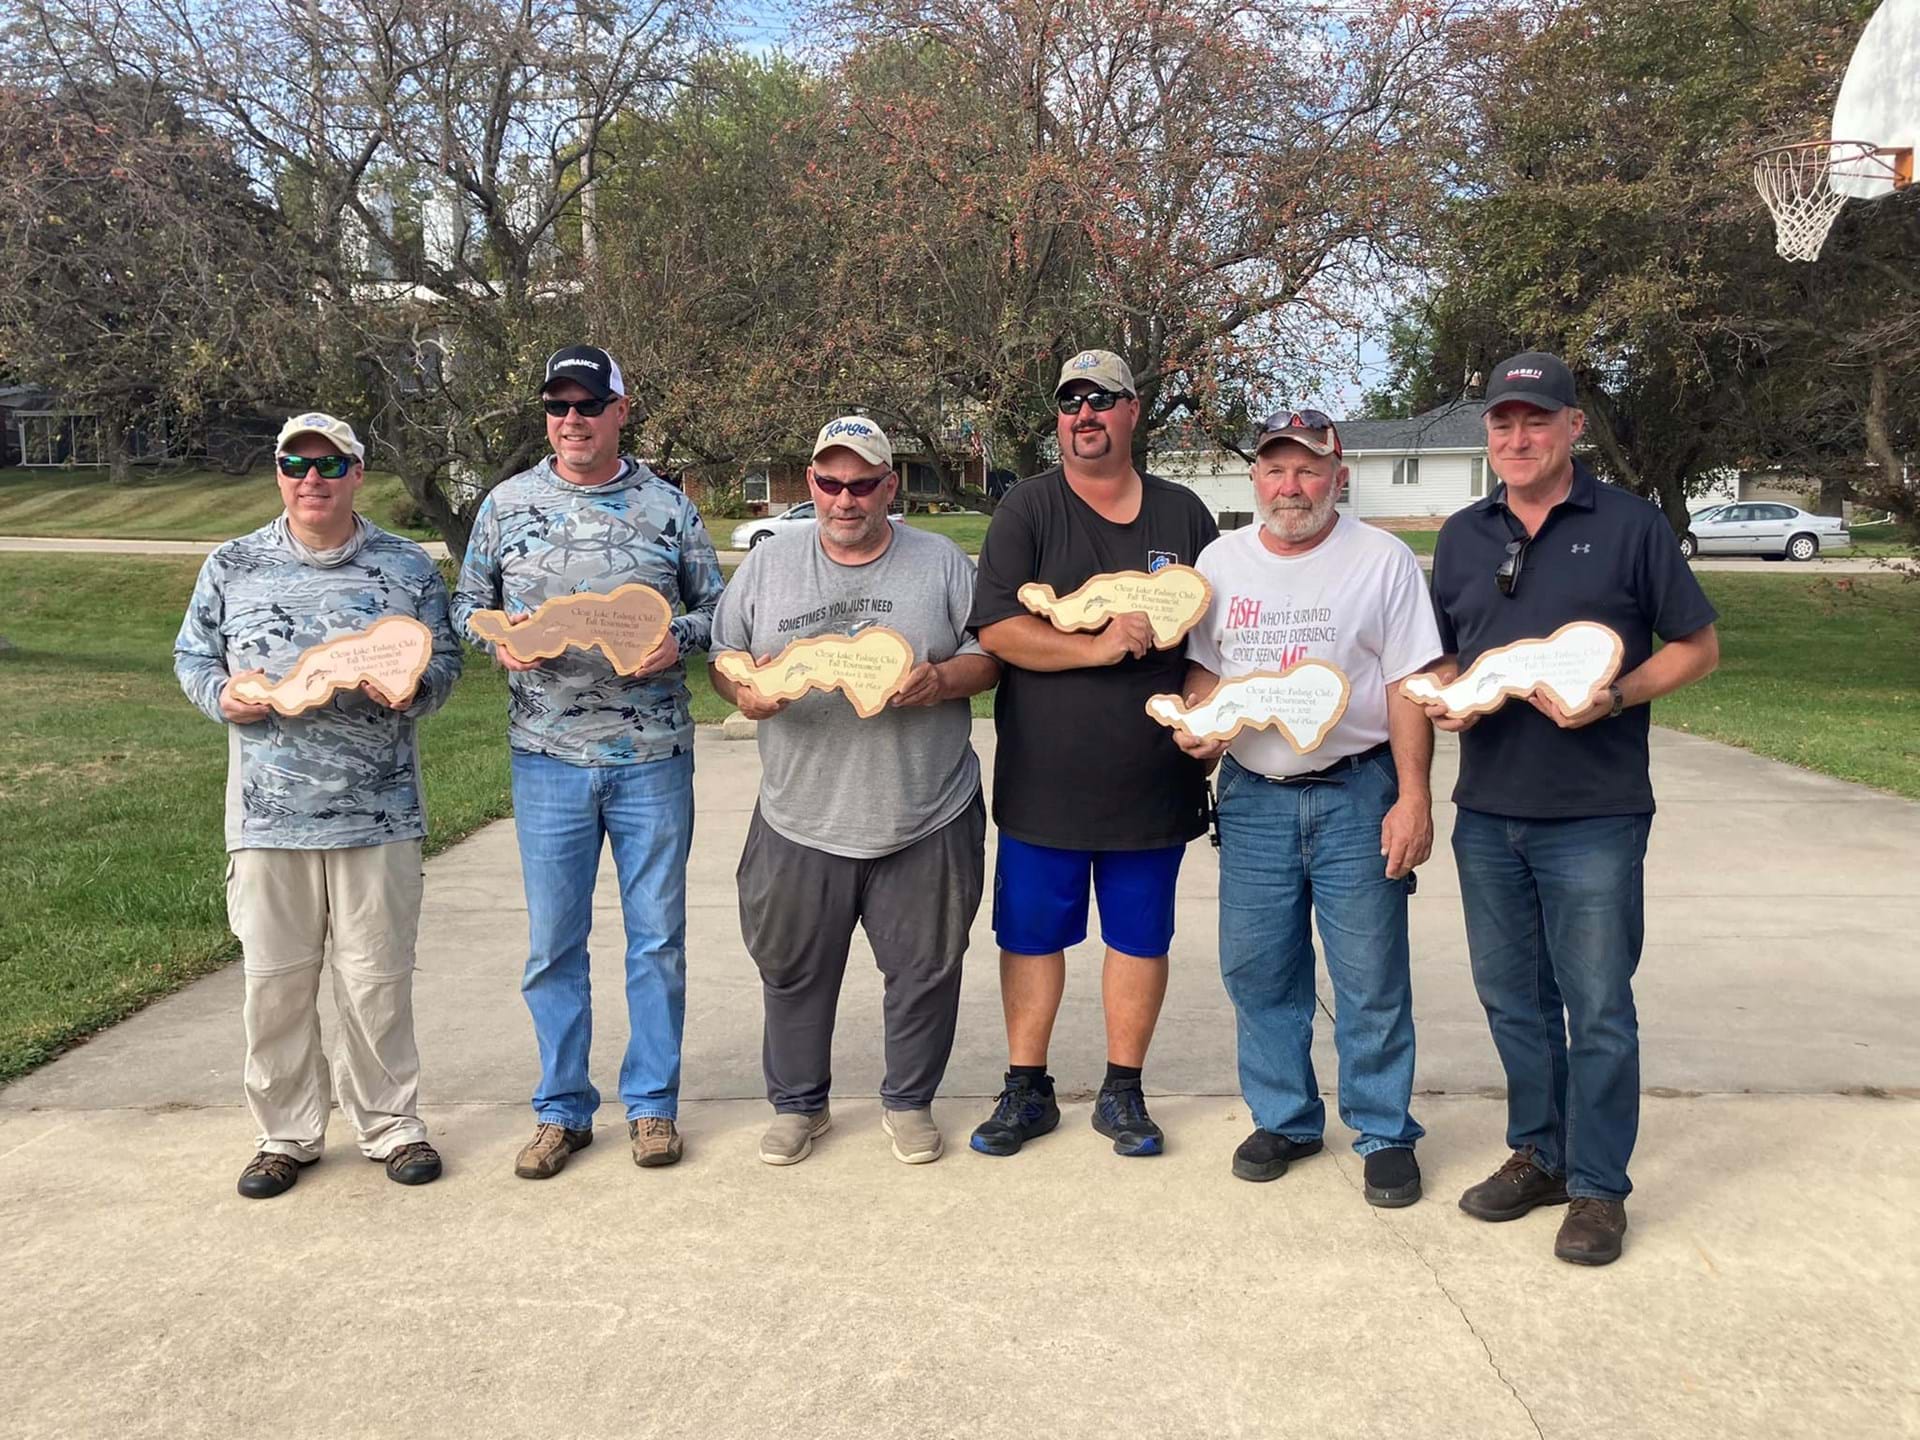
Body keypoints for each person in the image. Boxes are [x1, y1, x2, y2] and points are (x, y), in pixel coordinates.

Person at [1424, 350, 1719, 1265]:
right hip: (1488, 809)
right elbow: (1449, 653)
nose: (1518, 438)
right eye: (1502, 422)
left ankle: (1598, 1188)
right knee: (1512, 1000)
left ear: (1573, 427)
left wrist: (1617, 696)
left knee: (1595, 1009)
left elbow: (1698, 647)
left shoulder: (1630, 525)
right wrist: (1449, 695)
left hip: (1595, 811)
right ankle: (1540, 1156)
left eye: (1537, 420)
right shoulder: (1463, 535)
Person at [451, 345, 723, 1179]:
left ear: (620, 411)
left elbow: (720, 609)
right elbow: (468, 602)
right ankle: (562, 1111)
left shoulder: (668, 508)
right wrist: (497, 642)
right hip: (546, 757)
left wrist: (676, 640)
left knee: (657, 941)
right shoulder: (506, 505)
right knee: (553, 946)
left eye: (588, 404)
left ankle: (652, 1107)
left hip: (651, 757)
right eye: (557, 405)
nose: (572, 419)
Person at [174, 412, 462, 1199]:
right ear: (278, 473)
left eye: (330, 465)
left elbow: (445, 661)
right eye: (296, 464)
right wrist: (219, 695)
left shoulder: (405, 565)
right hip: (267, 815)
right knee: (275, 983)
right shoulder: (232, 564)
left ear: (356, 473)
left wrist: (415, 690)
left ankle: (391, 1125)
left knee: (376, 979)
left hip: (380, 811)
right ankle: (286, 1135)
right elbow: (193, 655)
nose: (312, 479)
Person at [710, 416, 999, 1166]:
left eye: (863, 484)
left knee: (926, 969)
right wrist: (743, 691)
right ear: (811, 484)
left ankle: (909, 1102)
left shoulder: (939, 562)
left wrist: (943, 679)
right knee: (792, 968)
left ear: (889, 486)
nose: (846, 499)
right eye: (830, 482)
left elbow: (990, 655)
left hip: (925, 810)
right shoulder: (769, 565)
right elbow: (723, 654)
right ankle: (799, 1106)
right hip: (800, 813)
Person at [1175, 408, 1442, 1207]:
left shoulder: (1383, 560)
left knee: (1370, 975)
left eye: (1307, 469)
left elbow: (1407, 684)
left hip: (1357, 791)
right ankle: (1286, 1118)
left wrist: (1415, 796)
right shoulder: (1220, 561)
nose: (1290, 486)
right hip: (1253, 796)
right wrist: (1202, 725)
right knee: (1258, 969)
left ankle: (1384, 1130)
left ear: (1338, 476)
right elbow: (1206, 668)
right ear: (1254, 478)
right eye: (1275, 469)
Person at [966, 349, 1219, 1158]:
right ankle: (1026, 1089)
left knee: (1139, 938)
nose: (1084, 415)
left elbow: (1212, 647)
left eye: (1101, 400)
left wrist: (1207, 720)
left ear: (1132, 411)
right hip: (1046, 782)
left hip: (1154, 781)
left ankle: (1122, 1092)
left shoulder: (1183, 515)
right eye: (1071, 402)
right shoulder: (1028, 509)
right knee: (1031, 937)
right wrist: (1096, 647)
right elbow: (998, 629)